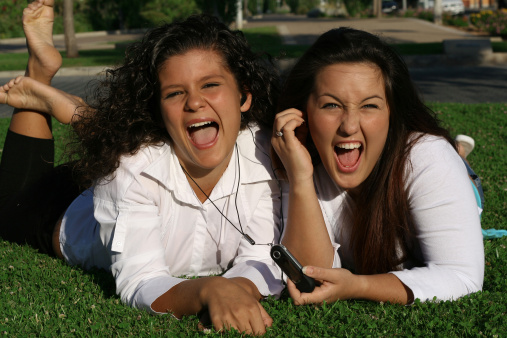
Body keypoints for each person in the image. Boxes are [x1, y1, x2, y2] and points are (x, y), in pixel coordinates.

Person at [0, 1, 285, 334]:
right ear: (160, 109)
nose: (194, 102)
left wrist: (239, 290)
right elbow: (140, 281)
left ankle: (77, 111)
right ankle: (39, 72)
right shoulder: (132, 167)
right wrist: (207, 290)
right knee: (8, 210)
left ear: (244, 97)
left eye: (210, 85)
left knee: (128, 147)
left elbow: (265, 256)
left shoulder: (266, 155)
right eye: (175, 93)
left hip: (125, 174)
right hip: (65, 209)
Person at [271, 27, 484, 306]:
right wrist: (299, 177)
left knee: (457, 171)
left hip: (439, 168)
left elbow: (463, 276)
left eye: (369, 106)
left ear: (391, 114)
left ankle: (459, 155)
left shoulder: (428, 158)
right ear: (304, 112)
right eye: (331, 106)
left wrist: (356, 285)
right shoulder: (298, 157)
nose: (349, 126)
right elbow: (310, 277)